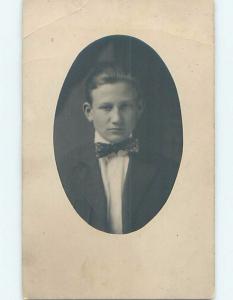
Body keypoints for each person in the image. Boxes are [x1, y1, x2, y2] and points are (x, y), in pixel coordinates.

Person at [60, 62, 178, 234]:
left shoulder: (166, 170)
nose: (116, 118)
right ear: (88, 111)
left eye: (125, 107)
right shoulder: (66, 169)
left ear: (139, 109)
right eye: (106, 107)